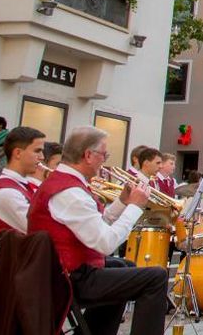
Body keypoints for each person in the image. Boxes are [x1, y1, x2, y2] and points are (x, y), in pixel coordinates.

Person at [27, 126, 166, 335]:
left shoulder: (65, 184)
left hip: (65, 270)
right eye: (104, 154)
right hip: (67, 279)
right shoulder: (70, 192)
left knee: (123, 266)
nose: (105, 160)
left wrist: (122, 203)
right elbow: (106, 243)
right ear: (88, 155)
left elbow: (97, 224)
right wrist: (136, 207)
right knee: (156, 277)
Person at [0, 126, 45, 236]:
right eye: (37, 151)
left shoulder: (21, 185)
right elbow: (41, 228)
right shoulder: (6, 192)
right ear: (18, 153)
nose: (42, 157)